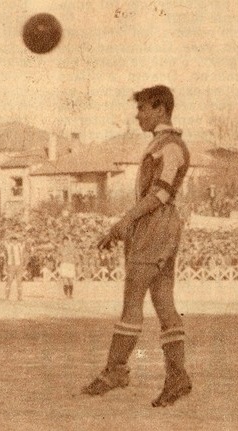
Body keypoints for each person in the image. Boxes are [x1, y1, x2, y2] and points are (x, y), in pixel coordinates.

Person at [81, 85, 192, 407]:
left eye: (142, 108)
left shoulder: (170, 146)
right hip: (157, 226)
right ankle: (177, 377)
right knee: (163, 301)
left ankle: (116, 370)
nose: (137, 115)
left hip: (156, 225)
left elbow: (162, 193)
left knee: (133, 299)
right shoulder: (162, 143)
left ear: (160, 109)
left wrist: (126, 221)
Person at [3, 233, 28, 301]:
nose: (14, 241)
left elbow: (24, 240)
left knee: (19, 281)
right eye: (13, 240)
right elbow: (4, 240)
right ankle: (7, 297)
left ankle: (20, 297)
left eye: (15, 240)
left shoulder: (20, 246)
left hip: (19, 266)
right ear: (11, 240)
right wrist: (11, 235)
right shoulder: (9, 246)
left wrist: (18, 235)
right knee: (9, 280)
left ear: (17, 240)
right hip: (11, 265)